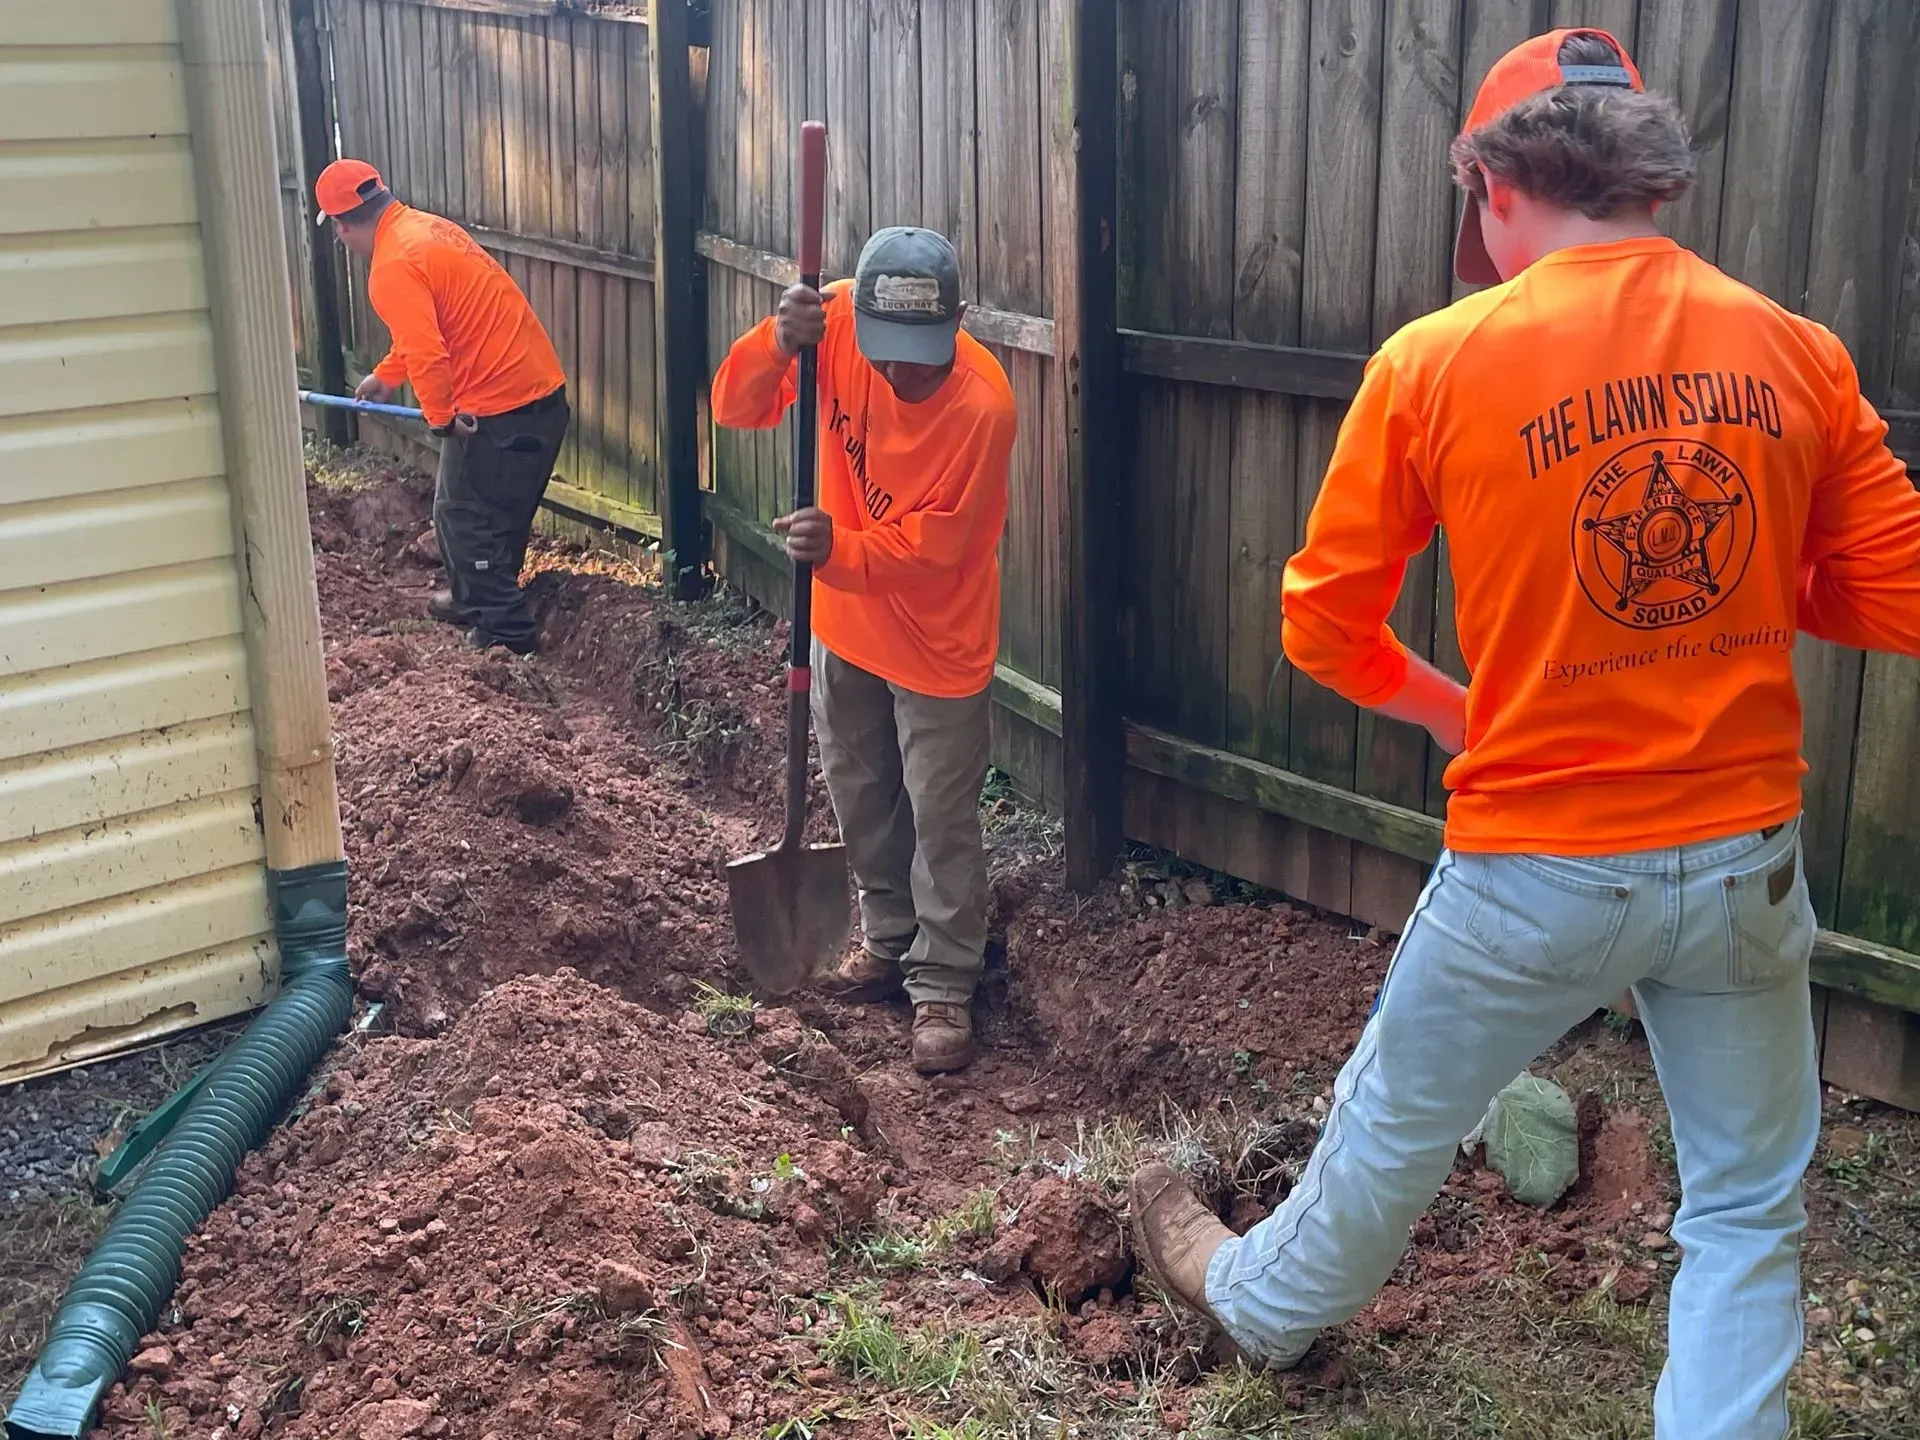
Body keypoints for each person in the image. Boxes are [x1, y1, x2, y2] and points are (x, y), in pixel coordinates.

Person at [1127, 28, 1920, 1440]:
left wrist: (1461, 714)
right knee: (1747, 1204)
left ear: (1495, 187)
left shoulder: (1438, 361)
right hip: (1743, 862)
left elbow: (1323, 626)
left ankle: (1260, 1304)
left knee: (1396, 1122)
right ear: (1654, 186)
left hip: (1534, 868)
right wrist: (1752, 572)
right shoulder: (1797, 352)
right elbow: (1894, 591)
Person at [710, 228, 1017, 1074]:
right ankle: (887, 940)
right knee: (860, 796)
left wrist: (839, 549)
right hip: (845, 624)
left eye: (919, 355)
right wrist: (777, 344)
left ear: (960, 319)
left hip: (939, 640)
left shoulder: (983, 408)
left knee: (941, 818)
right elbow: (735, 406)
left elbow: (939, 548)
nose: (896, 372)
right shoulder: (834, 322)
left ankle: (944, 983)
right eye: (884, 351)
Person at [315, 158, 570, 655]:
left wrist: (442, 421)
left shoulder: (391, 265)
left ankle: (507, 634)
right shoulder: (425, 229)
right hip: (539, 395)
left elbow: (429, 354)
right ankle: (476, 597)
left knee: (462, 516)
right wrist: (387, 376)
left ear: (342, 227)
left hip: (501, 407)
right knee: (495, 512)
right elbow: (432, 329)